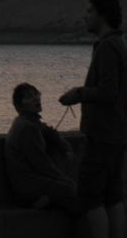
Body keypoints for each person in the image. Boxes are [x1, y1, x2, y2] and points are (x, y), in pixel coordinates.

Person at [59, 0, 127, 238]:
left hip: (102, 134)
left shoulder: (106, 47)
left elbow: (107, 91)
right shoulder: (122, 45)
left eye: (89, 11)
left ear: (102, 14)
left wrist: (77, 94)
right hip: (118, 132)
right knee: (113, 196)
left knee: (91, 195)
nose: (85, 15)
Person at [5, 83, 78, 212]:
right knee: (73, 192)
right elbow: (41, 163)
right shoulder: (27, 127)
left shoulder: (31, 122)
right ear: (19, 105)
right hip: (28, 187)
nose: (36, 99)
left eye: (36, 95)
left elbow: (50, 132)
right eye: (29, 97)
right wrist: (63, 179)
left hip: (30, 183)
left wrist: (65, 147)